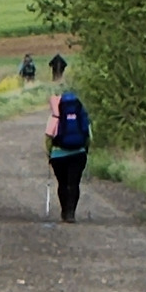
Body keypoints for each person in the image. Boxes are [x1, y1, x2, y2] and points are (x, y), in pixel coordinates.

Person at [46, 87, 90, 222]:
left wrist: (49, 154)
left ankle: (64, 211)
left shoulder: (55, 116)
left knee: (63, 183)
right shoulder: (81, 115)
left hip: (58, 156)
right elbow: (89, 136)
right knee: (74, 183)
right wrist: (85, 150)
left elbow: (48, 138)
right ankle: (71, 212)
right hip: (78, 154)